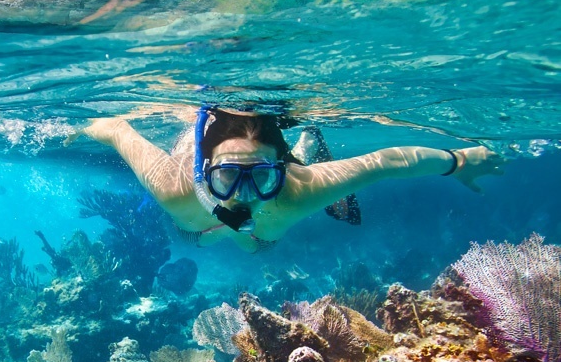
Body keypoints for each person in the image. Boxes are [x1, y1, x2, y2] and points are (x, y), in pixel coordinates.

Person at [65, 107, 505, 253]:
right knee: (194, 234)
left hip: (281, 186)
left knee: (257, 243)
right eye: (228, 177)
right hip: (196, 221)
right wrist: (80, 128)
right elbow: (117, 128)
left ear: (282, 171)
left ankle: (304, 147)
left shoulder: (298, 189)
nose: (243, 195)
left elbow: (386, 161)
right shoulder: (174, 186)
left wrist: (458, 160)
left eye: (261, 178)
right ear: (204, 173)